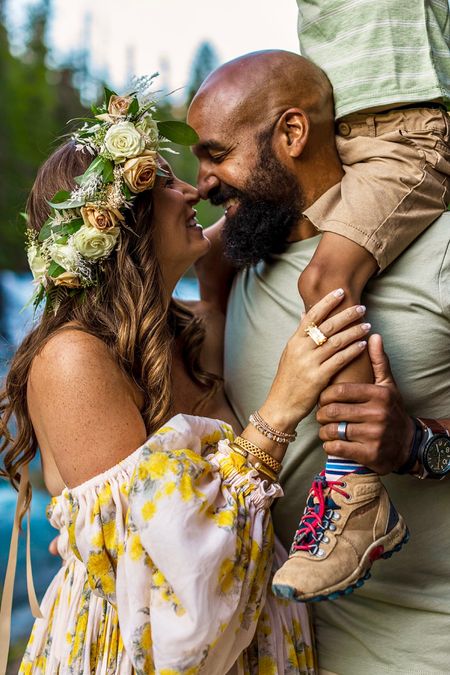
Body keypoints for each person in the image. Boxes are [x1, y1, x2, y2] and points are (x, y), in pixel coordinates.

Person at [0, 84, 371, 675]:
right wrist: (280, 410)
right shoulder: (73, 361)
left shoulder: (194, 326)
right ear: (121, 223)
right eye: (167, 183)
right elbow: (166, 582)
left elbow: (262, 213)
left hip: (252, 637)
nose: (195, 190)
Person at [187, 50, 450, 673]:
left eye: (217, 153)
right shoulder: (236, 261)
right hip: (291, 646)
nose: (204, 183)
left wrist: (415, 444)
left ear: (293, 133)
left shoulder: (439, 247)